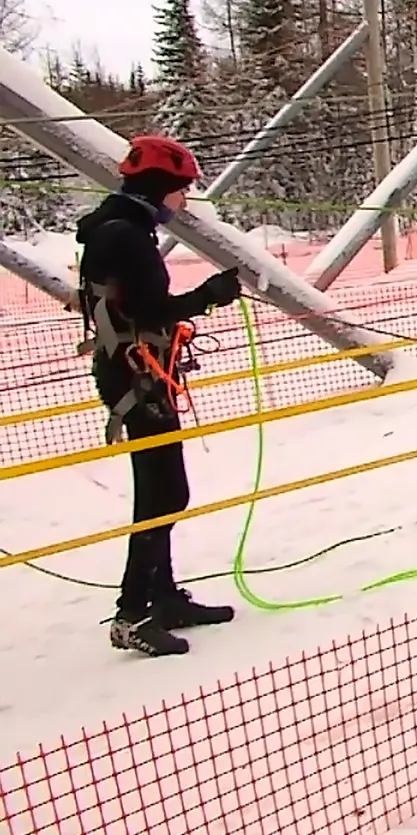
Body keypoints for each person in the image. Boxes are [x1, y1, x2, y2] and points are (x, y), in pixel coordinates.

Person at [75, 134, 243, 657]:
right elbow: (150, 311)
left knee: (164, 487)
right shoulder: (126, 235)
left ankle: (163, 597)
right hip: (135, 378)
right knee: (164, 492)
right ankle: (132, 613)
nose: (184, 201)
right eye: (182, 190)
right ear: (161, 187)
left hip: (135, 371)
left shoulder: (114, 227)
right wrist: (208, 297)